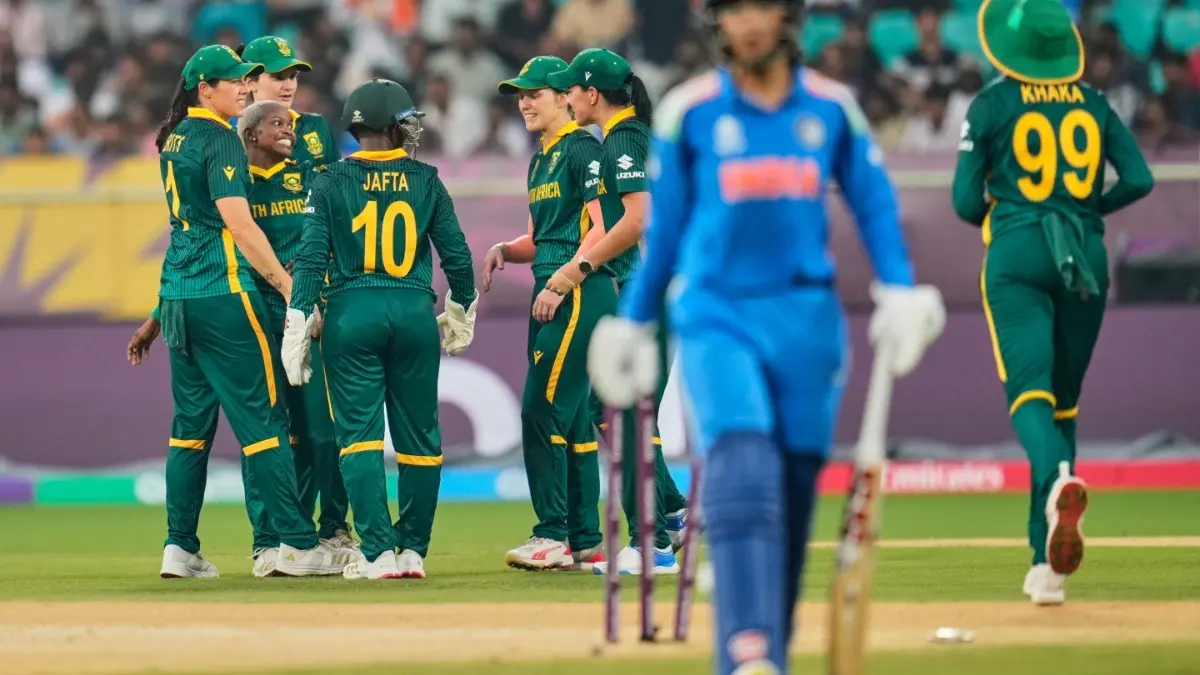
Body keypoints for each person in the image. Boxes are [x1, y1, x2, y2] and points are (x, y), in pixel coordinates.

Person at [586, 2, 946, 673]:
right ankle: (748, 648)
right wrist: (633, 319)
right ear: (716, 22)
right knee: (743, 459)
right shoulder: (687, 111)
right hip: (716, 312)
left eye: (762, 5)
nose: (748, 22)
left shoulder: (833, 107)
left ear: (787, 16)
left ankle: (762, 650)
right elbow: (663, 233)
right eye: (733, 8)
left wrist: (898, 285)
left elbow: (870, 198)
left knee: (793, 493)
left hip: (807, 320)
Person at [126, 44, 355, 579]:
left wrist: (157, 316)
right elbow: (240, 226)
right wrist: (290, 287)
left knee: (189, 431)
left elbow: (187, 231)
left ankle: (179, 547)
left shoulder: (172, 139)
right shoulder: (221, 140)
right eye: (235, 83)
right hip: (225, 295)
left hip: (180, 297)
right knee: (266, 423)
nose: (245, 89)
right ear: (205, 89)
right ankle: (294, 544)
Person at [953, 0, 1153, 605]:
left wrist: (1009, 221)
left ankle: (1059, 483)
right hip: (1084, 255)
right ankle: (1047, 569)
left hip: (1019, 250)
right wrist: (1087, 214)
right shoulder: (1094, 102)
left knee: (1030, 396)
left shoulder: (990, 104)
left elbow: (965, 203)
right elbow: (1139, 178)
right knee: (1064, 406)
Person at [280, 79, 479, 580]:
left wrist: (299, 315)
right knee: (420, 438)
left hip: (351, 312)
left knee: (360, 440)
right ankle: (412, 550)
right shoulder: (427, 178)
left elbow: (309, 259)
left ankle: (376, 552)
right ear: (391, 125)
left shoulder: (327, 179)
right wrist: (462, 306)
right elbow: (456, 256)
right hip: (413, 309)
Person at [544, 48, 689, 576]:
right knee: (610, 411)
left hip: (643, 291)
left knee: (624, 414)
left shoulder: (624, 141)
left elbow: (636, 221)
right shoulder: (628, 139)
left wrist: (575, 270)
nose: (567, 100)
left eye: (571, 92)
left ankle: (654, 542)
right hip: (643, 289)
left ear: (591, 94)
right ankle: (672, 513)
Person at [482, 56, 622, 571]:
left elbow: (605, 227)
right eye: (520, 93)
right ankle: (585, 538)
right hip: (557, 282)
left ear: (566, 97)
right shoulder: (544, 156)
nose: (524, 101)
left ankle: (552, 535)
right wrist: (507, 248)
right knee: (573, 418)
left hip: (578, 288)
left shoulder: (584, 149)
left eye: (535, 92)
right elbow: (543, 236)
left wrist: (565, 280)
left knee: (540, 409)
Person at [238, 35, 352, 552]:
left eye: (294, 75)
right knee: (267, 430)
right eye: (275, 73)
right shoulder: (227, 145)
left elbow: (330, 200)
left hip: (311, 294)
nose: (287, 84)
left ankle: (331, 528)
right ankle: (270, 537)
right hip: (252, 298)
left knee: (324, 429)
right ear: (248, 81)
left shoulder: (316, 133)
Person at [240, 36, 342, 170]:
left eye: (293, 76)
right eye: (278, 77)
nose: (289, 86)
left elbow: (337, 185)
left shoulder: (316, 126)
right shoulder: (230, 136)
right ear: (250, 82)